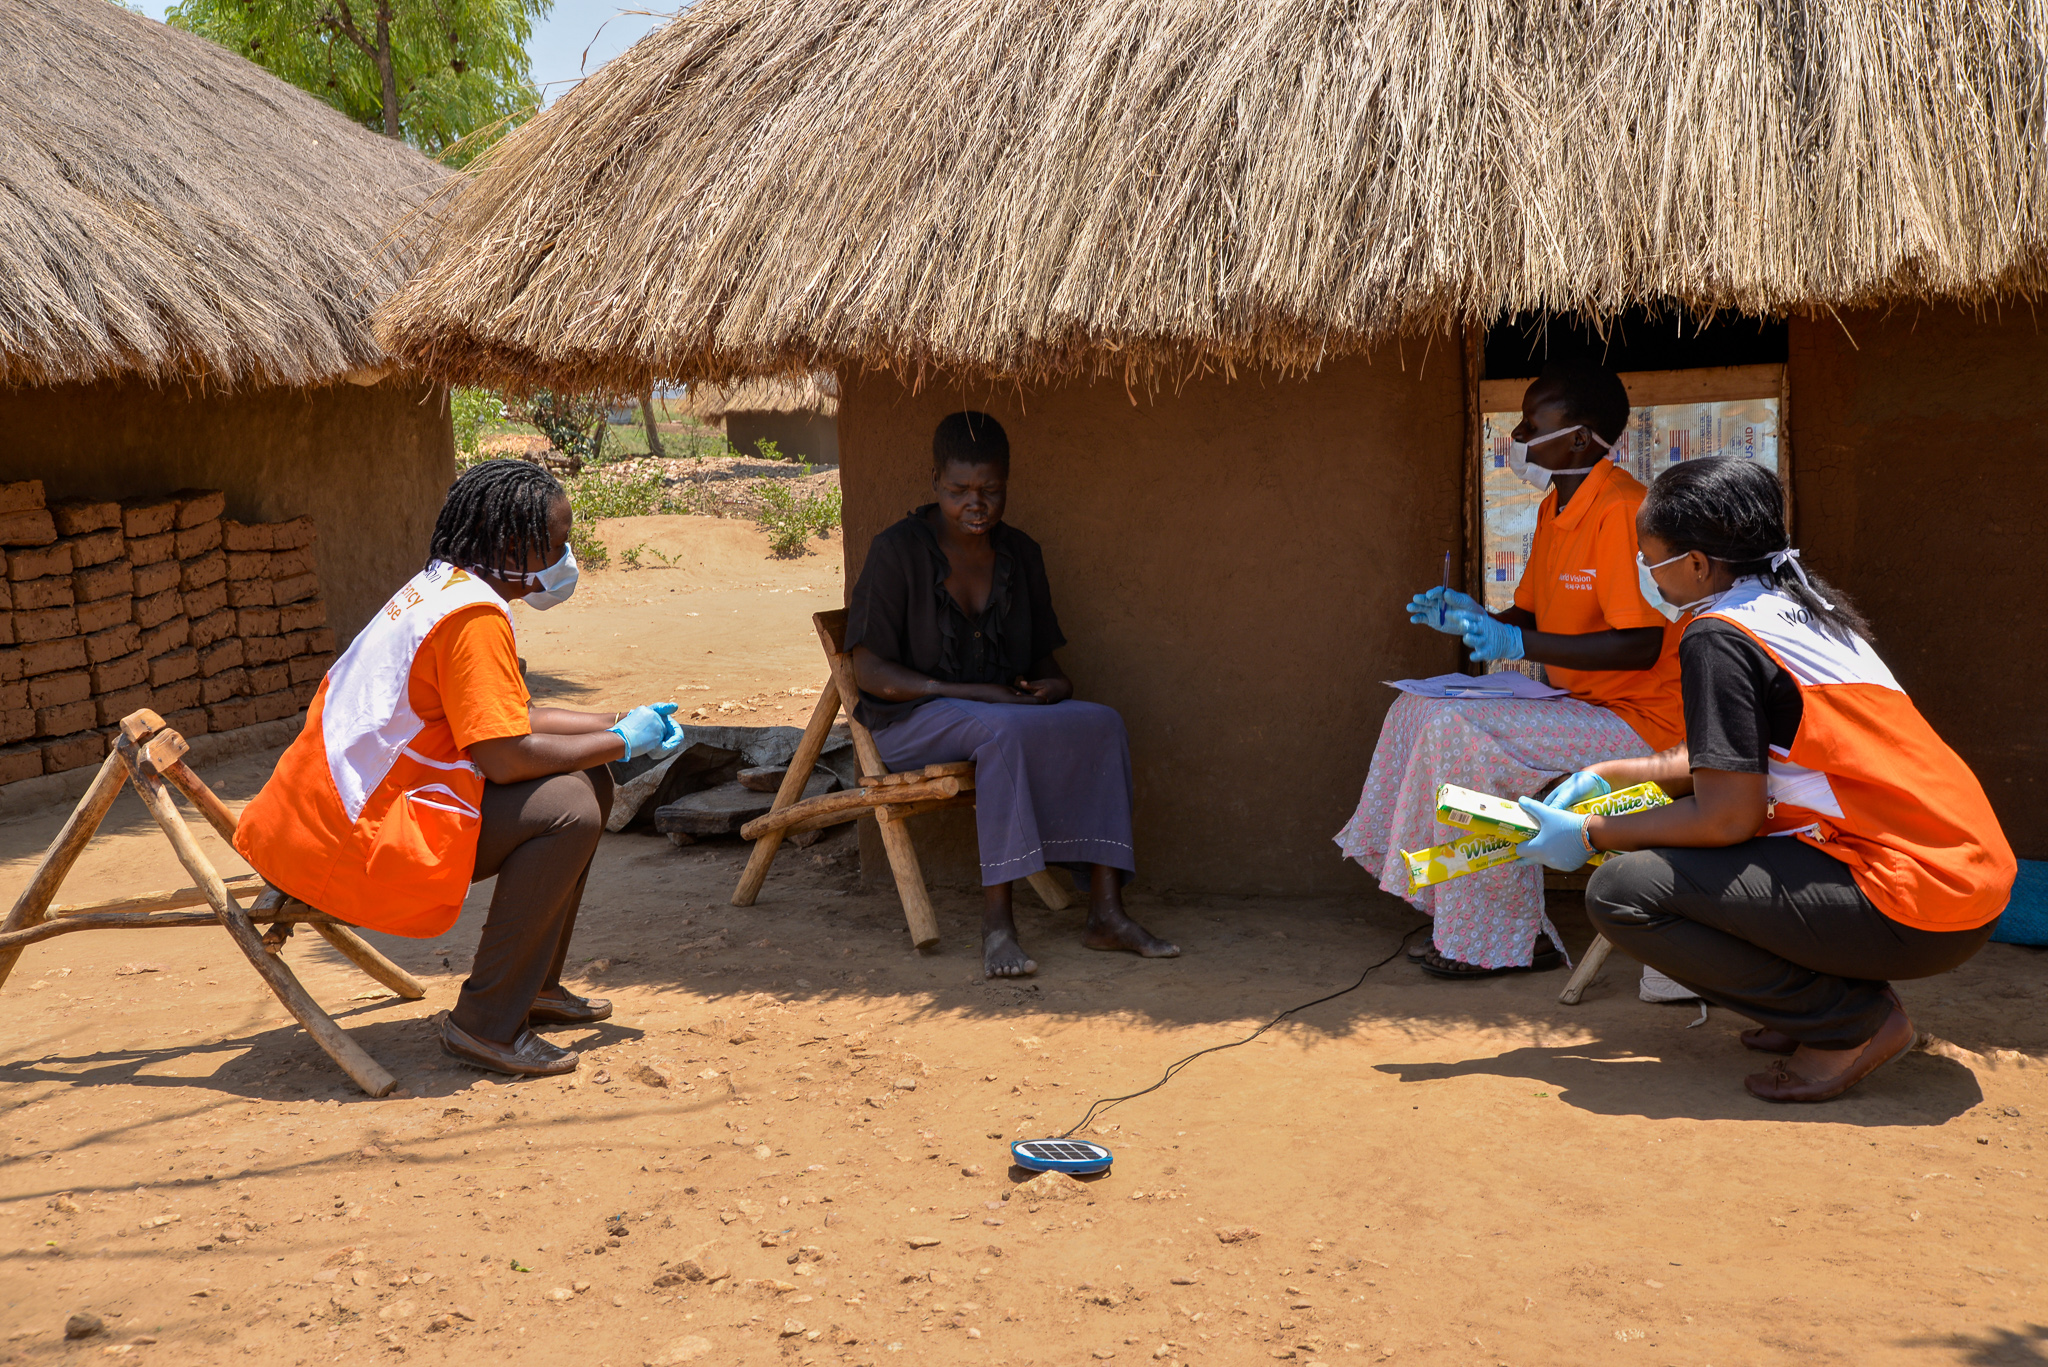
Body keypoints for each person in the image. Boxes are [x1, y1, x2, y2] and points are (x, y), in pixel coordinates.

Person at [1517, 456, 2015, 1103]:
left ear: (1696, 564)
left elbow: (1728, 816)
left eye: (1650, 557)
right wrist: (1603, 772)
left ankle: (1850, 1025)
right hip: (1956, 881)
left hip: (1909, 892)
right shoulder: (1794, 606)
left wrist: (1591, 833)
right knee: (1707, 864)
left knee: (1622, 890)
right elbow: (1722, 756)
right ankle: (1810, 1007)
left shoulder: (1717, 635)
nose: (1645, 570)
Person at [234, 460, 688, 1078]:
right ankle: (485, 1025)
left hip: (325, 819)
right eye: (555, 544)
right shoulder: (472, 619)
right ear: (511, 543)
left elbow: (509, 715)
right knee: (570, 809)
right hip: (352, 840)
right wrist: (619, 740)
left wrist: (619, 723)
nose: (565, 556)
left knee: (593, 777)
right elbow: (505, 758)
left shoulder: (441, 586)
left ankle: (534, 987)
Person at [1335, 359, 1686, 979]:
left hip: (1644, 726)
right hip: (1580, 707)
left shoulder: (1623, 509)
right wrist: (1475, 615)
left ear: (1579, 437)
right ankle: (1458, 908)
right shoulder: (1557, 508)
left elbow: (1639, 646)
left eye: (1532, 423)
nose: (1518, 438)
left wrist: (1513, 636)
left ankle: (1506, 940)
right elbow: (1528, 610)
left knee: (1455, 735)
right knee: (1417, 707)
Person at [846, 411, 1179, 979]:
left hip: (997, 713)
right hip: (910, 721)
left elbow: (1041, 659)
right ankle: (997, 924)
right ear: (934, 481)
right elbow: (869, 670)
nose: (975, 504)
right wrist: (965, 691)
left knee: (1102, 722)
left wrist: (1058, 684)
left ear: (1006, 483)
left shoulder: (1020, 554)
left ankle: (1106, 912)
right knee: (1000, 732)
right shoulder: (896, 552)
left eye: (990, 491)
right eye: (958, 491)